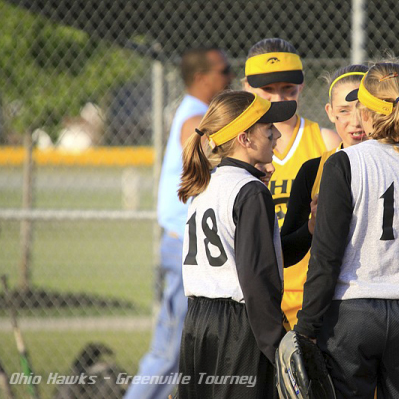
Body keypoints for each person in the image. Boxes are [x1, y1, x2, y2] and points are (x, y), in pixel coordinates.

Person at [293, 62, 399, 398]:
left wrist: (307, 326)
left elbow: (325, 257)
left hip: (352, 315)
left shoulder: (346, 162)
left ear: (365, 114)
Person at [124, 46, 232, 399]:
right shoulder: (197, 119)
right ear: (201, 78)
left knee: (187, 354)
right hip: (184, 245)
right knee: (168, 352)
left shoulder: (198, 112)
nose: (230, 77)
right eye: (224, 70)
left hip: (193, 245)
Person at [177, 90, 295, 398]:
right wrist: (276, 345)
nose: (277, 133)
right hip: (239, 327)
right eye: (268, 128)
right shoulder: (251, 190)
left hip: (197, 323)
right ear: (245, 138)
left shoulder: (205, 185)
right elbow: (257, 278)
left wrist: (306, 231)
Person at [280, 64, 369, 328]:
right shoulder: (314, 170)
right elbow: (285, 252)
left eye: (364, 110)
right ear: (330, 112)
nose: (355, 122)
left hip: (383, 304)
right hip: (326, 306)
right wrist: (311, 226)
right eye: (344, 111)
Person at [243, 38, 341, 228]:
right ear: (247, 86)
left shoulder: (326, 140)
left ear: (301, 83)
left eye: (288, 88)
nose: (278, 98)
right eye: (267, 89)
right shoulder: (239, 144)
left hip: (312, 257)